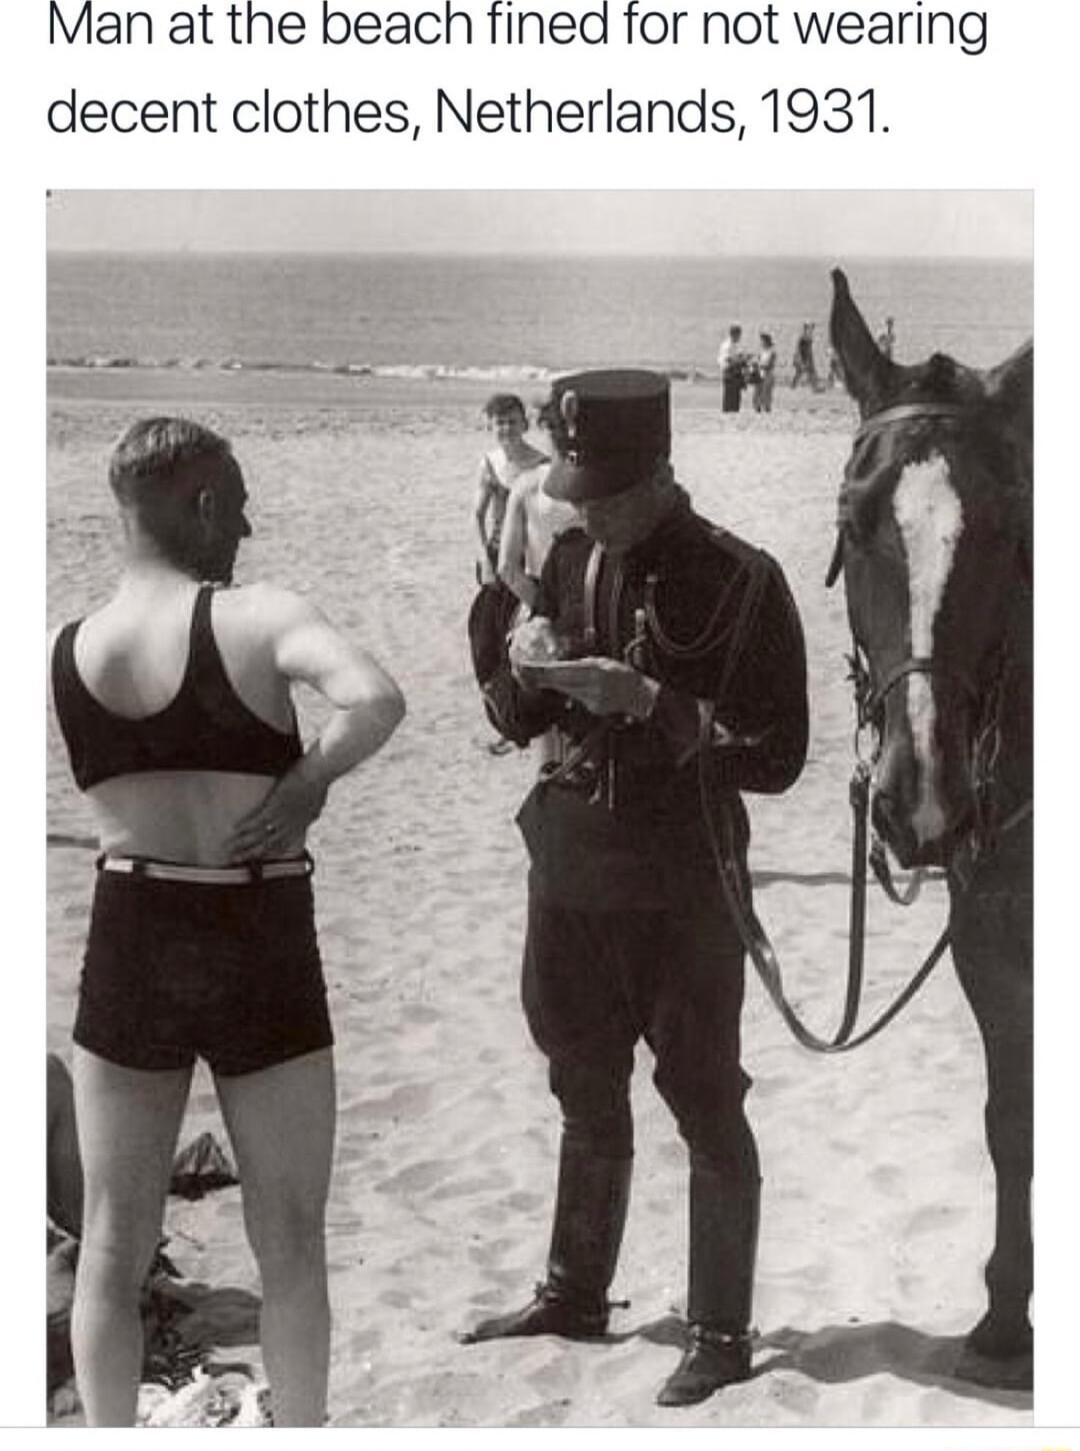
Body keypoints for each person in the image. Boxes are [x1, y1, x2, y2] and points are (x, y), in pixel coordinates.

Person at [48, 417, 405, 1427]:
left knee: (113, 1242)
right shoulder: (256, 617)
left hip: (132, 926)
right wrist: (307, 781)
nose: (248, 520)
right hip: (258, 929)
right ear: (202, 504)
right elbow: (375, 697)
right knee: (289, 1234)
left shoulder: (65, 649)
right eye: (237, 499)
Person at [460, 371, 808, 1406]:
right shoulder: (567, 556)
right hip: (567, 871)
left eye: (607, 489)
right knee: (581, 1081)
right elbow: (516, 721)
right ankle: (574, 1288)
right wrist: (523, 665)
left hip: (682, 886)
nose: (587, 510)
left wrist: (656, 702)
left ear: (661, 472)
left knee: (704, 1098)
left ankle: (721, 1329)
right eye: (578, 487)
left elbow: (780, 753)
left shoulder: (743, 580)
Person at [473, 393, 549, 586]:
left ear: (525, 425)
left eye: (513, 422)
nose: (507, 428)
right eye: (500, 422)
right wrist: (484, 560)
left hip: (531, 556)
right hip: (496, 554)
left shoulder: (542, 464)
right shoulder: (489, 464)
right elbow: (477, 516)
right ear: (490, 426)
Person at [716, 325, 746, 413]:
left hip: (735, 372)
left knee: (736, 398)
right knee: (729, 398)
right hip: (729, 372)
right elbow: (727, 359)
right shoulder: (727, 345)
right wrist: (739, 359)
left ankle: (734, 412)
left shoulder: (735, 345)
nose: (739, 337)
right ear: (734, 334)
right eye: (738, 335)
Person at [751, 332, 777, 414]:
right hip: (761, 374)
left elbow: (770, 365)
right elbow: (758, 361)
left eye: (763, 341)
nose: (761, 342)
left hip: (768, 375)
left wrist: (759, 365)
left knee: (766, 394)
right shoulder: (761, 352)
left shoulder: (772, 352)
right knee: (757, 393)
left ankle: (767, 409)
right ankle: (758, 409)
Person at [790, 322, 818, 389]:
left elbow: (808, 347)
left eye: (811, 328)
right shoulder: (803, 337)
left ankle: (814, 385)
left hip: (808, 356)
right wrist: (799, 357)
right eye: (809, 328)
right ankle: (794, 385)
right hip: (804, 357)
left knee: (811, 372)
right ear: (806, 328)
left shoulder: (808, 336)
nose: (811, 329)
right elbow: (799, 348)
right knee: (800, 372)